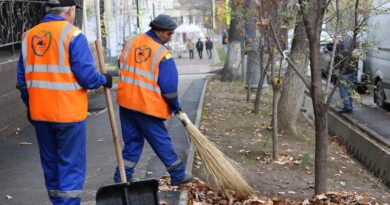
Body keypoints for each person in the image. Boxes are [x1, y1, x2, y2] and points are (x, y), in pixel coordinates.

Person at [16, 0, 112, 204]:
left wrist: (30, 107)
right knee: (70, 166)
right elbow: (87, 77)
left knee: (51, 166)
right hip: (68, 114)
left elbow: (22, 82)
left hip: (40, 114)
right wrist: (105, 79)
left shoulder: (28, 37)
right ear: (69, 11)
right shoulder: (73, 35)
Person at [115, 14, 191, 186]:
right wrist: (175, 106)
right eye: (169, 34)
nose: (170, 38)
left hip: (126, 102)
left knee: (133, 140)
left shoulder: (132, 42)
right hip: (146, 105)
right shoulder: (163, 54)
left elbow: (122, 64)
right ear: (158, 31)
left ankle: (122, 176)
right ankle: (178, 174)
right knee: (160, 140)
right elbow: (169, 88)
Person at [336, 36, 354, 113]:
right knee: (349, 89)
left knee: (343, 89)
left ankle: (347, 106)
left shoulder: (340, 45)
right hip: (352, 70)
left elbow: (337, 57)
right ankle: (349, 105)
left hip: (345, 71)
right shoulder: (351, 41)